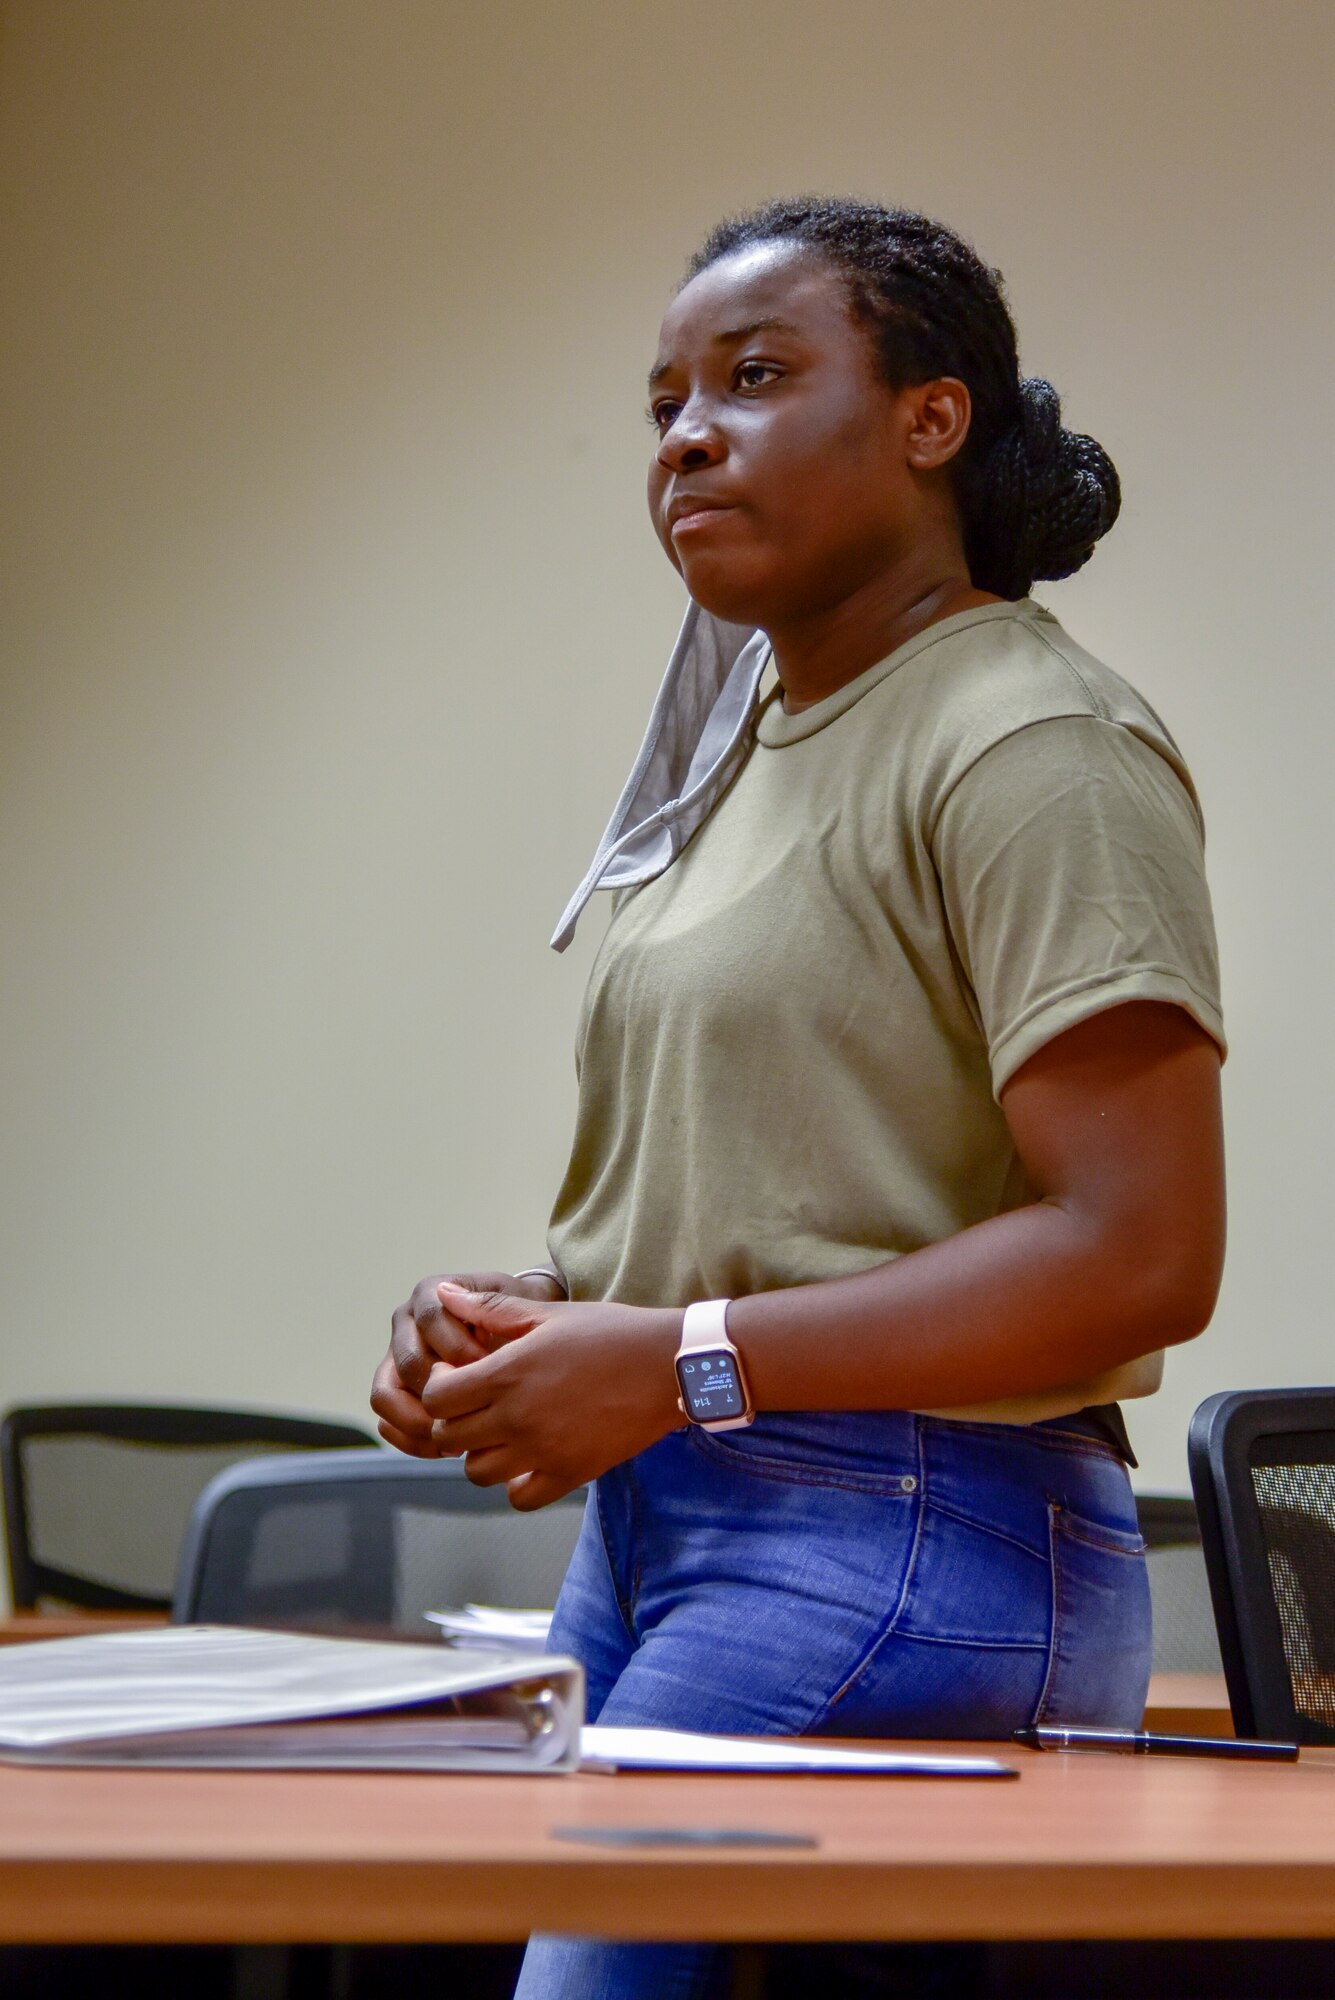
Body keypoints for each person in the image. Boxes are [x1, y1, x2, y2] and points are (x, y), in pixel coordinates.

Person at [372, 197, 1226, 1998]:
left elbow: (1142, 1255)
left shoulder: (1027, 739)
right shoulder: (737, 751)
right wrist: (542, 1322)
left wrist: (674, 1354)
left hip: (916, 1526)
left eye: (754, 378)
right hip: (677, 1519)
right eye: (665, 401)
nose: (686, 433)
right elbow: (791, 1202)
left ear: (932, 417)